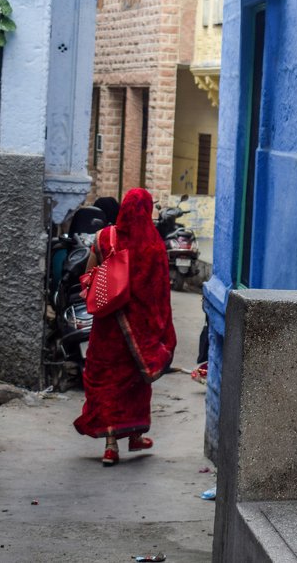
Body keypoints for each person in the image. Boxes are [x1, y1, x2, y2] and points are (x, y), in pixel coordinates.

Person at [74, 188, 177, 466]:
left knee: (106, 381)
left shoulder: (104, 237)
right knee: (134, 384)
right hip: (139, 333)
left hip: (108, 326)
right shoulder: (154, 245)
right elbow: (159, 293)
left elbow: (89, 272)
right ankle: (135, 435)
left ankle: (111, 447)